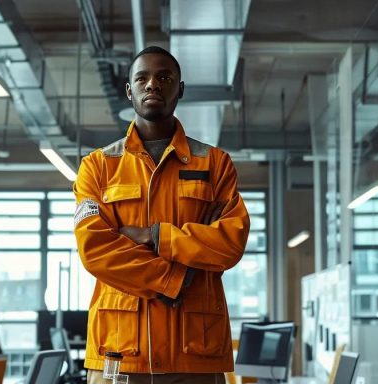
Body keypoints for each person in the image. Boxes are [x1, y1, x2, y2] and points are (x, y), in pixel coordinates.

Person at [73, 45, 251, 384]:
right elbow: (95, 249)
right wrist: (173, 277)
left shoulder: (214, 165)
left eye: (164, 77)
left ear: (179, 89)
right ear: (129, 91)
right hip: (120, 353)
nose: (152, 85)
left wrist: (154, 236)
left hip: (195, 354)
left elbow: (229, 243)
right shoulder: (97, 167)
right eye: (142, 78)